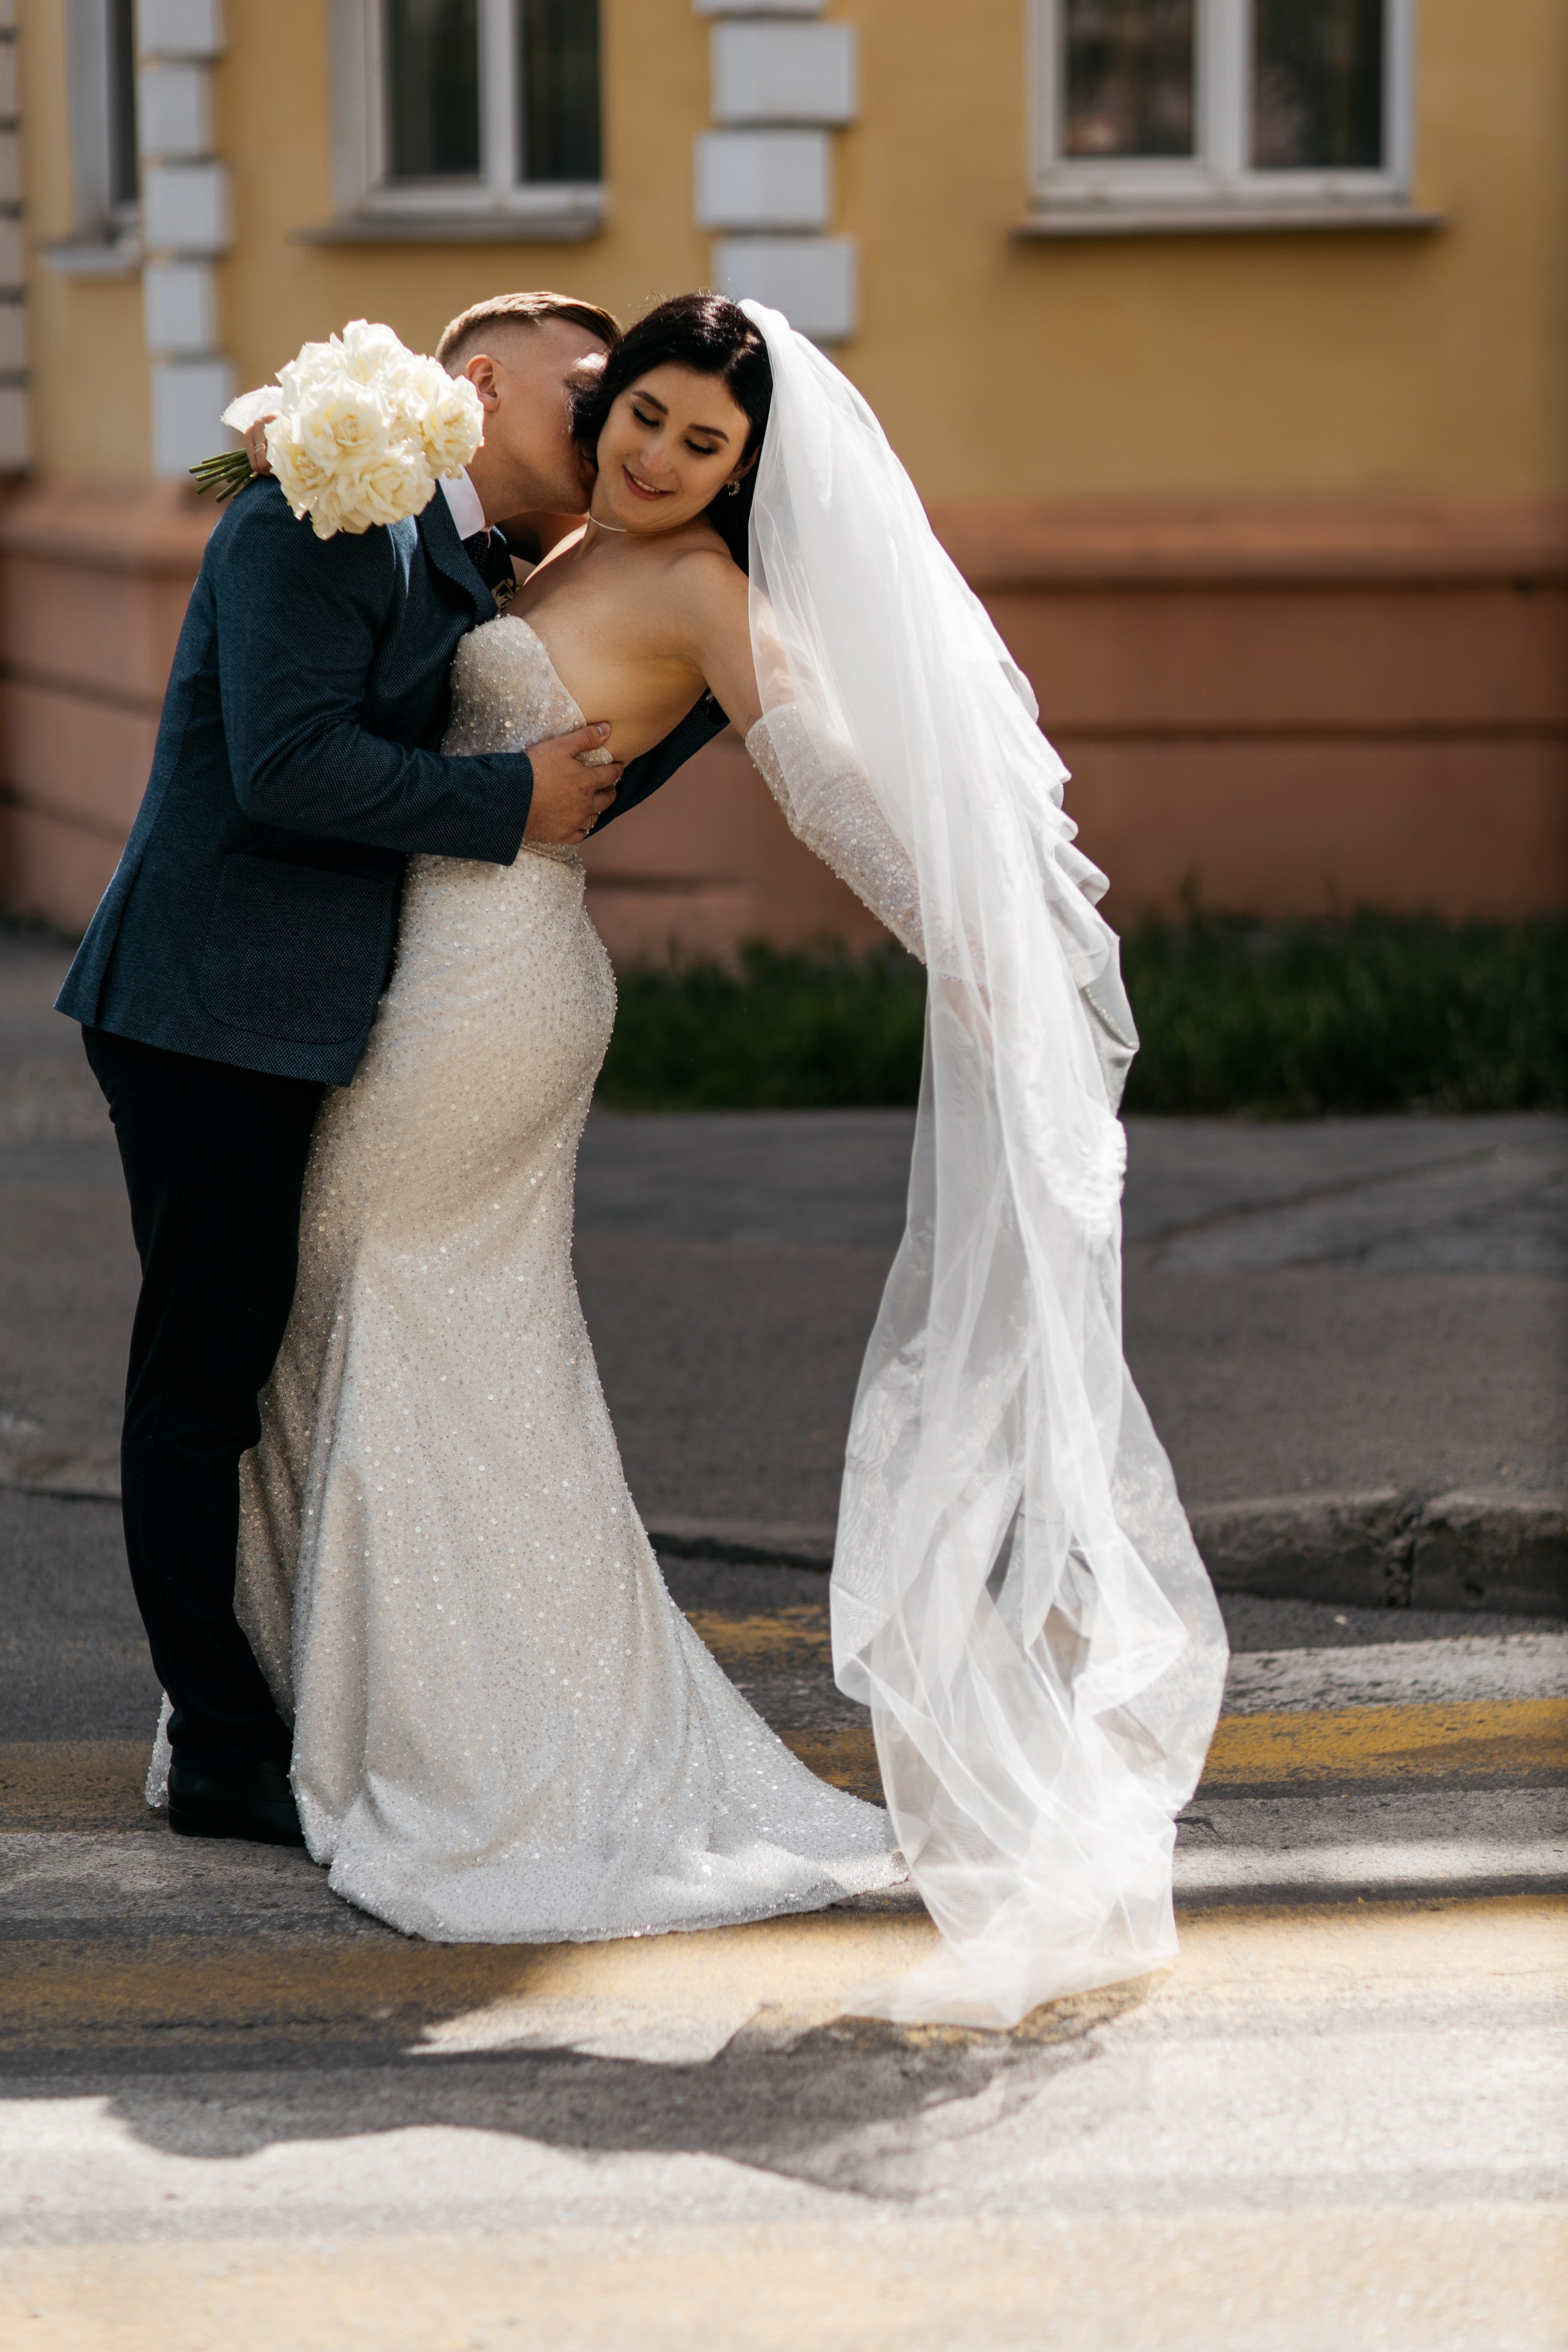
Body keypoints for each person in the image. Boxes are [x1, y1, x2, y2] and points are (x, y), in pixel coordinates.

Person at [211, 293, 1225, 2015]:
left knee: (405, 1313)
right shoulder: (553, 546)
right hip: (422, 980)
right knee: (379, 1317)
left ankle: (482, 1733)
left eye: (706, 445)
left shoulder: (695, 588)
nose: (663, 457)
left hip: (495, 991)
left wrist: (964, 951)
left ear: (750, 470)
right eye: (647, 416)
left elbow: (824, 772)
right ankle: (361, 1691)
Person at [57, 291, 731, 1850]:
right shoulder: (329, 506)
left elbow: (563, 759)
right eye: (594, 391)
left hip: (313, 1010)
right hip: (207, 1002)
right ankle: (224, 1741)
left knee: (268, 1356)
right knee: (206, 1372)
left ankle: (286, 1688)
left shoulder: (457, 549)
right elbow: (290, 768)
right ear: (477, 386)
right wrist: (509, 797)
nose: (616, 418)